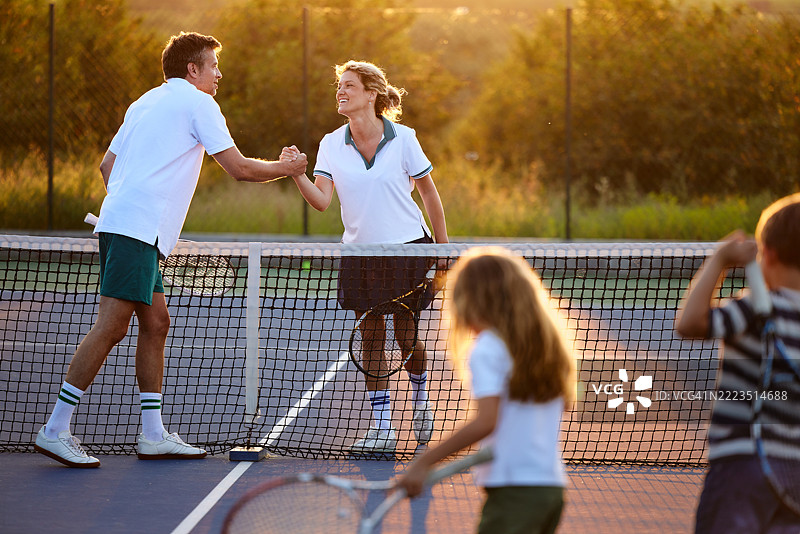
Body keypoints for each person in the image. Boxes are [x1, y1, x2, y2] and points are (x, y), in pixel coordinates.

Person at [33, 31, 308, 468]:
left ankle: (153, 434)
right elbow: (237, 168)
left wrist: (127, 205)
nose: (219, 73)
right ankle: (55, 428)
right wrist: (288, 167)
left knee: (156, 322)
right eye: (213, 65)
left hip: (129, 227)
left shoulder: (143, 102)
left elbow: (108, 166)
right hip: (136, 231)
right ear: (192, 69)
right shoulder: (200, 104)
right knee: (112, 326)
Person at [281, 60, 448, 454]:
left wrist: (443, 251)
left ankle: (421, 402)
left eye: (350, 86)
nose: (341, 91)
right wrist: (296, 173)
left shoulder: (404, 138)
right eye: (339, 86)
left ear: (371, 94)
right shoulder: (330, 143)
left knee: (407, 336)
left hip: (407, 249)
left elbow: (429, 195)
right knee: (370, 337)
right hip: (360, 255)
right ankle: (383, 428)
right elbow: (322, 201)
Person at [397, 247, 575, 534]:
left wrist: (425, 462)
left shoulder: (487, 349)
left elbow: (486, 420)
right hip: (550, 490)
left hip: (514, 494)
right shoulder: (544, 347)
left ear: (472, 301)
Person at [675, 193, 800, 533]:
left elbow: (690, 324)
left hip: (740, 467)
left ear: (768, 255)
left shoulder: (755, 310)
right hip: (794, 475)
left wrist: (720, 260)